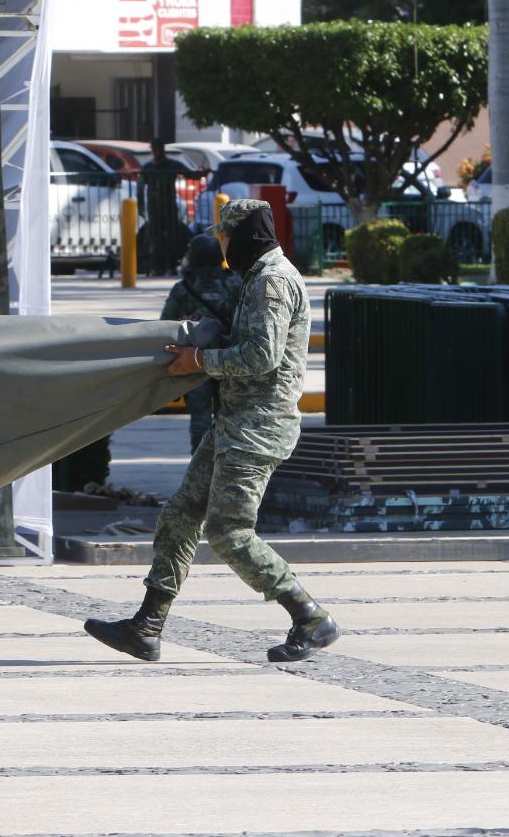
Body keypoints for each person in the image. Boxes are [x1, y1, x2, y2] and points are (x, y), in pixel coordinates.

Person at [84, 199, 339, 665]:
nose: (221, 243)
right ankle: (147, 626)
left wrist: (200, 360)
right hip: (234, 422)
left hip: (258, 427)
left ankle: (309, 617)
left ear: (244, 234)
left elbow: (263, 357)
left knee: (230, 533)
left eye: (225, 234)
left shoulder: (272, 282)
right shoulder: (255, 277)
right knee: (180, 516)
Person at [160, 234, 242, 451]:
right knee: (230, 418)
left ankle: (200, 467)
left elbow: (165, 325)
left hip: (193, 363)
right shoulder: (234, 282)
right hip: (229, 361)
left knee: (200, 420)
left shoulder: (183, 288)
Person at [138, 139, 192, 276]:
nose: (156, 152)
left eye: (158, 148)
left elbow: (190, 174)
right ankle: (157, 266)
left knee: (171, 237)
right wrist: (141, 208)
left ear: (162, 149)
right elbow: (140, 188)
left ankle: (171, 265)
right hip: (154, 207)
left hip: (169, 205)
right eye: (154, 149)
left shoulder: (172, 165)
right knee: (156, 237)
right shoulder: (148, 167)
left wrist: (202, 173)